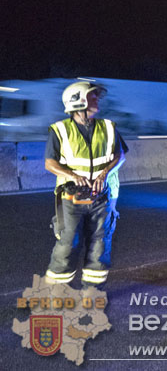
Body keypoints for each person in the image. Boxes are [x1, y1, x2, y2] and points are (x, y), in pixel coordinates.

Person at [44, 81, 127, 288]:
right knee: (67, 244)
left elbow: (120, 155)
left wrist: (104, 174)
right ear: (77, 100)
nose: (97, 99)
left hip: (102, 197)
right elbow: (50, 163)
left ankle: (92, 291)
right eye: (93, 95)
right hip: (72, 198)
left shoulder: (108, 127)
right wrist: (71, 175)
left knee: (100, 246)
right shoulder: (60, 129)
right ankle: (55, 289)